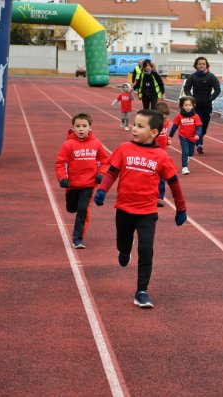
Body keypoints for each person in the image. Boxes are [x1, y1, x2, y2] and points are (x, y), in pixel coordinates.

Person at [93, 109, 188, 309]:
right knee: (123, 243)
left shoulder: (160, 156)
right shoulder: (123, 149)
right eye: (134, 124)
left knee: (146, 250)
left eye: (140, 126)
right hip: (124, 210)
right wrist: (102, 190)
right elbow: (111, 172)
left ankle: (142, 291)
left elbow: (174, 183)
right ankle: (124, 250)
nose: (134, 129)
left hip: (147, 213)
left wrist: (181, 209)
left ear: (153, 132)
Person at [55, 113, 109, 249]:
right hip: (72, 185)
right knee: (71, 208)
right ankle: (71, 204)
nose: (81, 129)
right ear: (72, 128)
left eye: (84, 126)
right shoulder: (68, 145)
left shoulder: (96, 143)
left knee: (83, 209)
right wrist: (62, 178)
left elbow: (105, 160)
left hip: (89, 184)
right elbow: (60, 163)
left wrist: (101, 174)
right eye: (77, 126)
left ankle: (78, 238)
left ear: (90, 128)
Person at [182, 56, 220, 155]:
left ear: (206, 65)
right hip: (196, 107)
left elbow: (218, 89)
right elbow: (186, 89)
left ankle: (198, 140)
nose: (201, 65)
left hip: (207, 106)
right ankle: (199, 144)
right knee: (198, 125)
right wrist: (192, 99)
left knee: (204, 127)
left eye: (203, 64)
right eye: (199, 64)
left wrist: (210, 99)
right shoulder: (192, 77)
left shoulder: (211, 76)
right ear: (196, 65)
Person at [169, 96, 202, 175]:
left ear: (193, 106)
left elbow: (199, 126)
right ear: (182, 106)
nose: (188, 107)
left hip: (192, 137)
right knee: (185, 152)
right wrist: (171, 134)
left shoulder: (195, 116)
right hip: (183, 136)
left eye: (189, 105)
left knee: (190, 153)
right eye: (186, 105)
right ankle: (185, 167)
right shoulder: (179, 116)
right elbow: (175, 126)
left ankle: (187, 157)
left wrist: (198, 134)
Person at [155, 101, 173, 207]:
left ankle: (160, 197)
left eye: (166, 118)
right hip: (152, 153)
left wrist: (167, 140)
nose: (165, 120)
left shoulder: (166, 123)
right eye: (162, 118)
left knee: (162, 176)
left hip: (162, 154)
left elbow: (164, 134)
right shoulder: (152, 125)